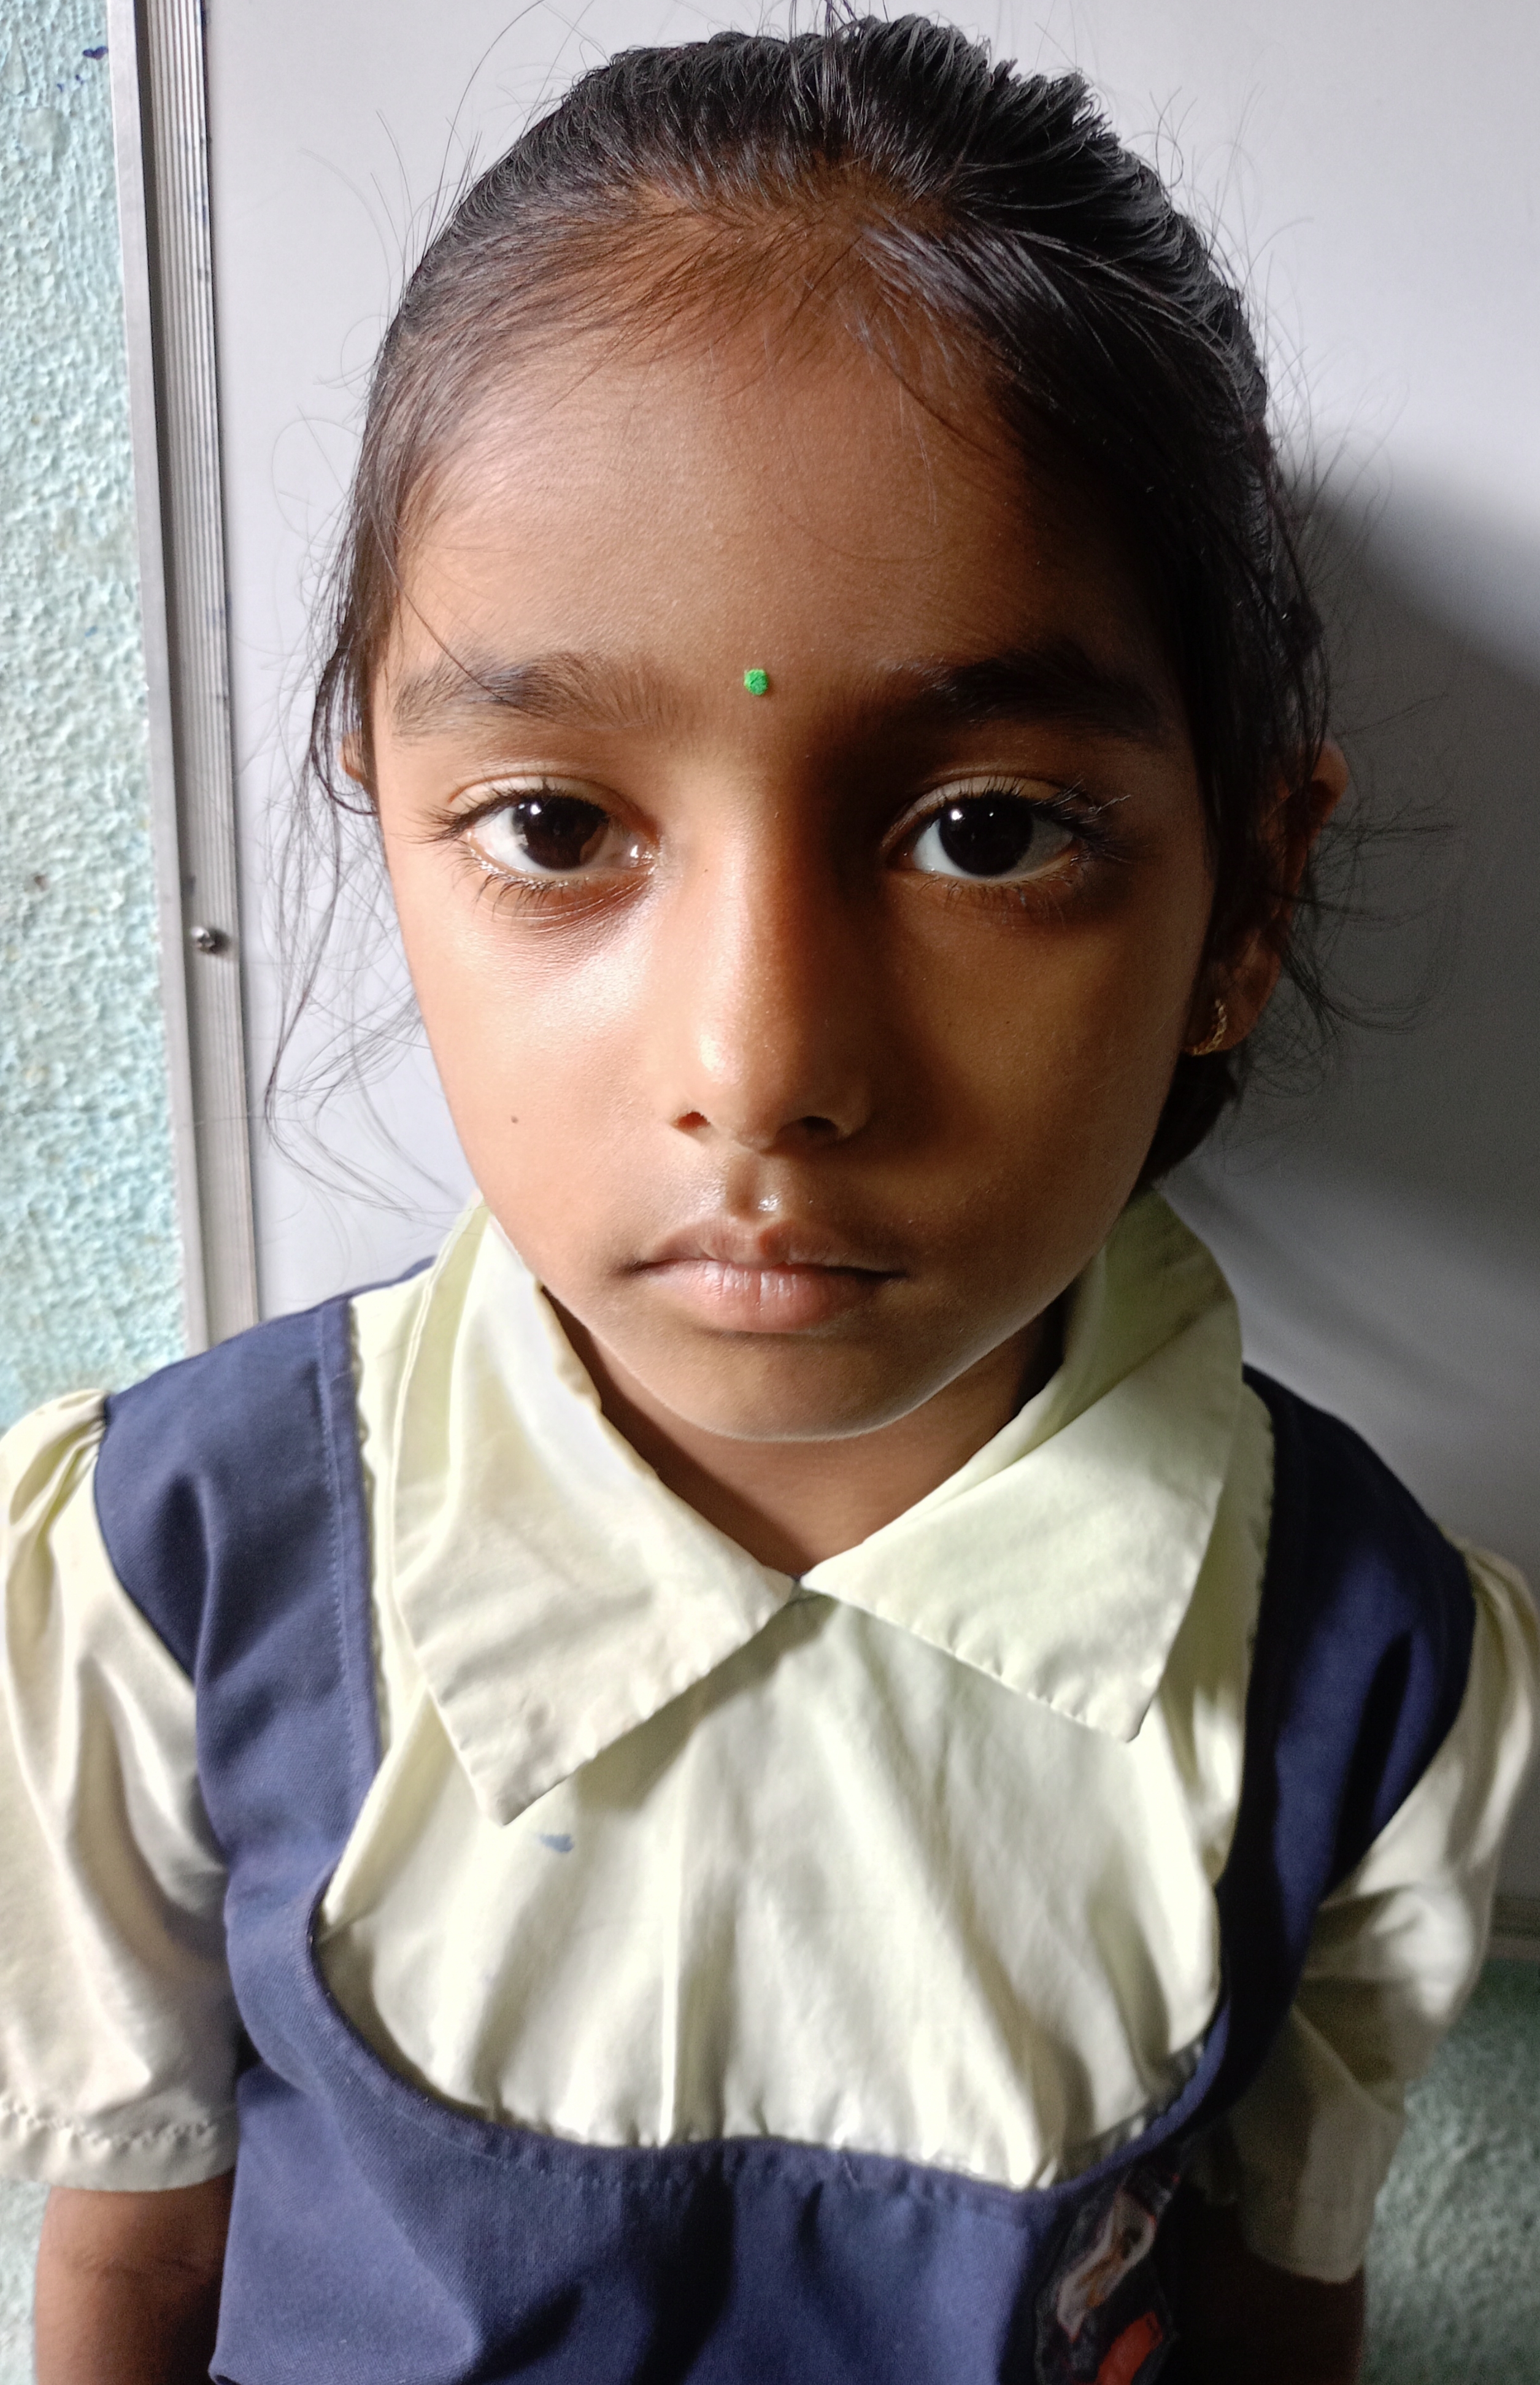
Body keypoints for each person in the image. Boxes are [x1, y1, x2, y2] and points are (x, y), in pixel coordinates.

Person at [2, 17, 1534, 2384]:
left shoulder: (1371, 1676)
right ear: (383, 820)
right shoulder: (164, 1589)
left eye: (986, 833)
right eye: (555, 825)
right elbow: (133, 2271)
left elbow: (1274, 2303)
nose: (759, 1066)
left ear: (1246, 899)